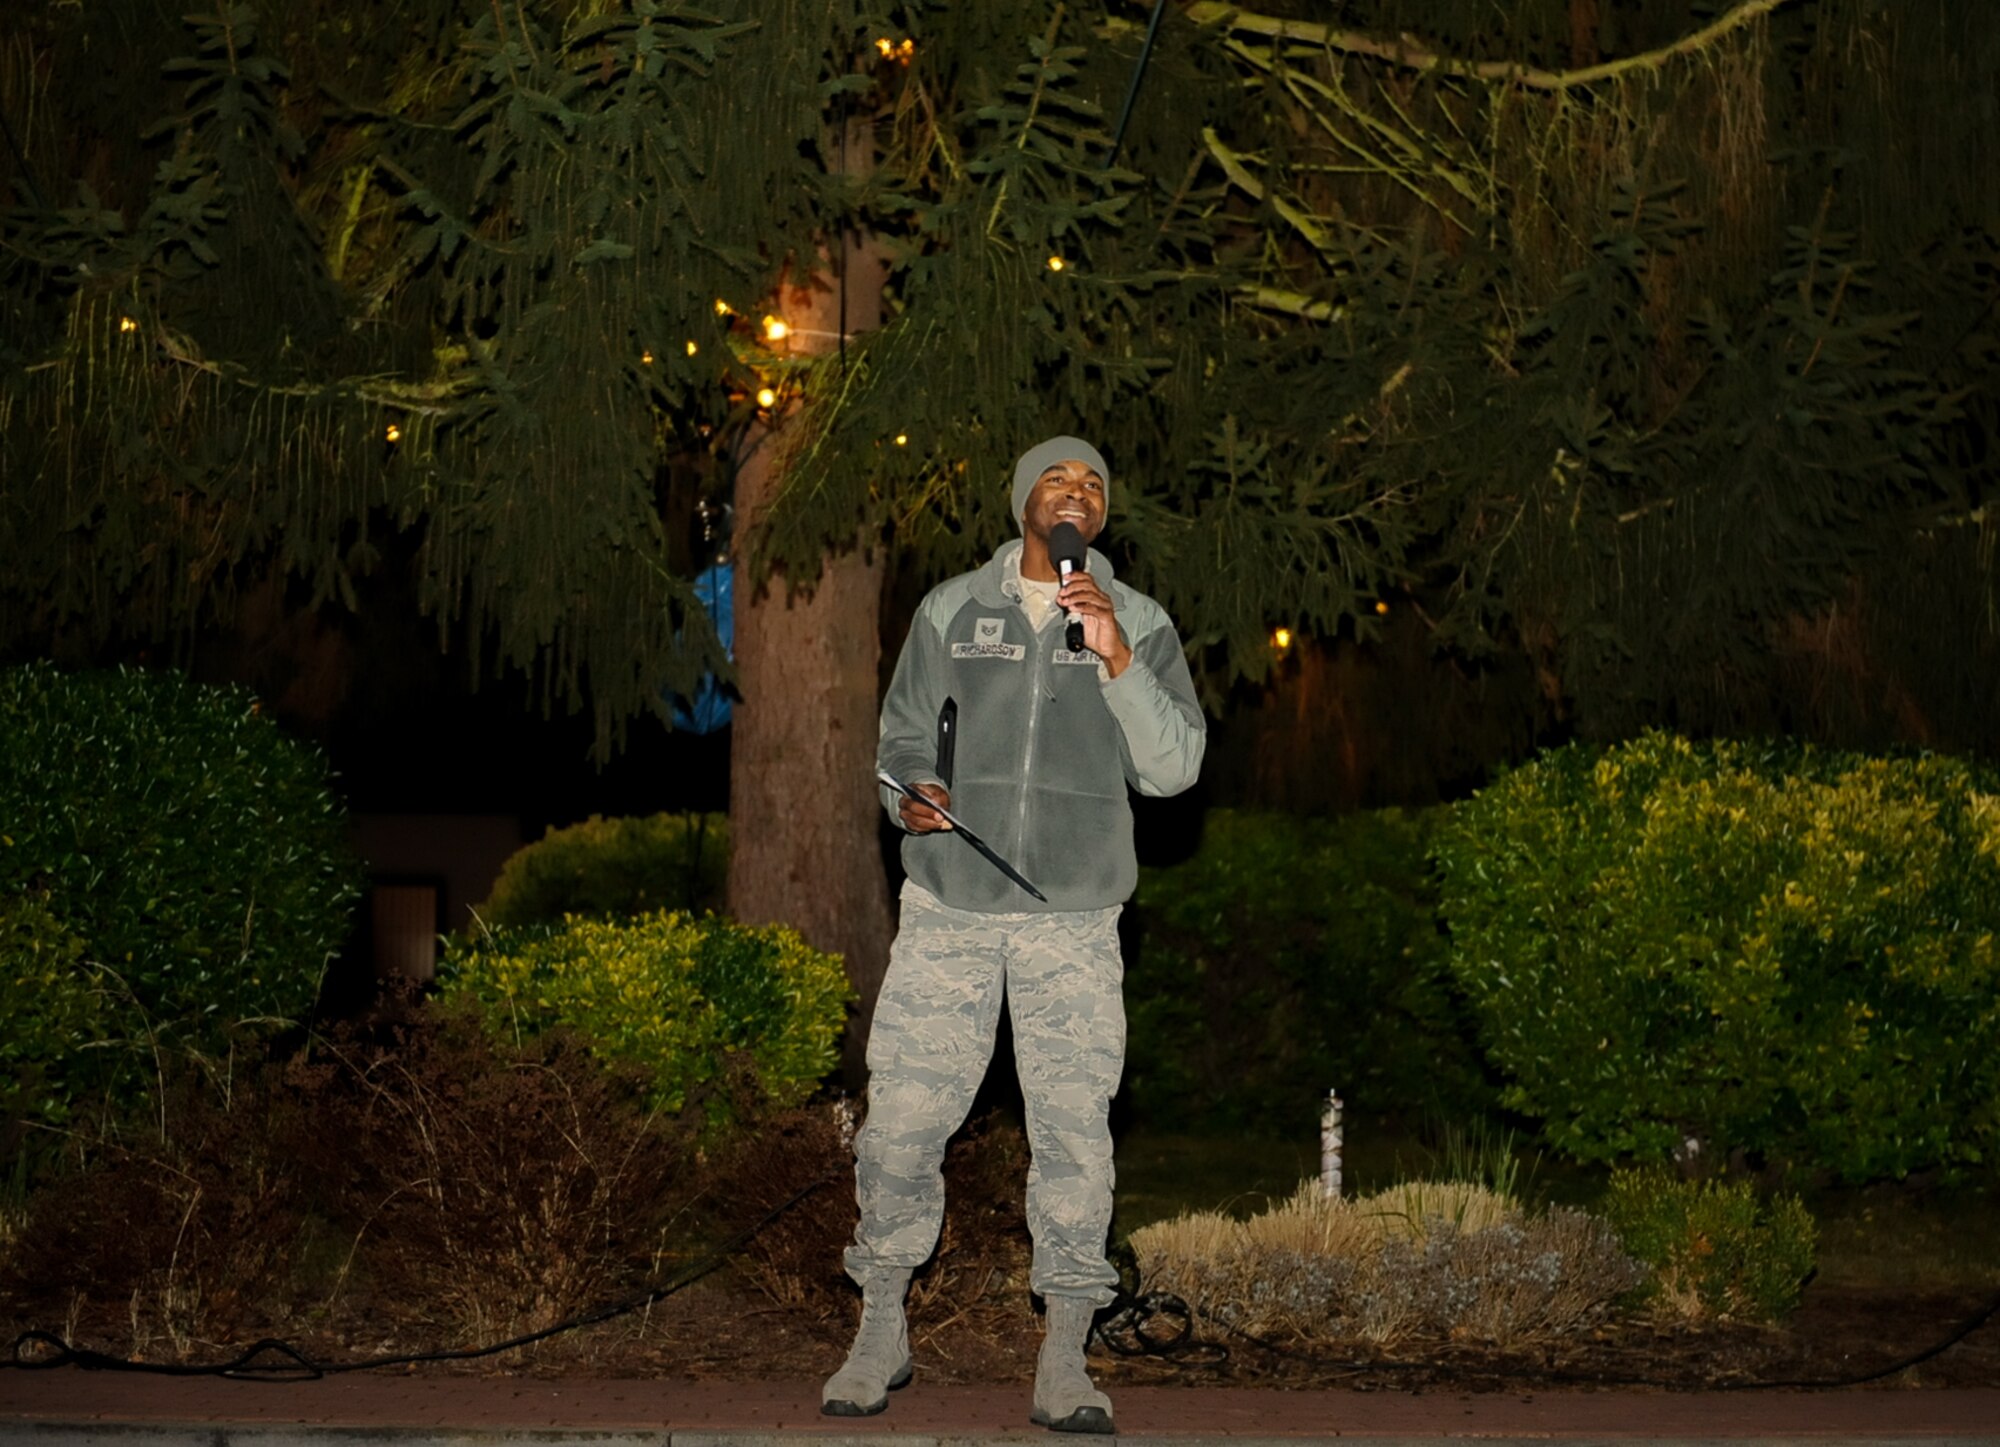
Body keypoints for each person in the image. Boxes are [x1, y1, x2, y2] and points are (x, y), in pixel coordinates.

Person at [823, 436, 1206, 1433]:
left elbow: (1172, 770)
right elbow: (900, 742)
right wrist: (912, 797)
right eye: (1057, 477)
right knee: (901, 1121)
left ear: (1101, 515)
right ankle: (879, 1327)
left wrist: (1115, 652)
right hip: (950, 907)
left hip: (1073, 921)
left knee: (1076, 1137)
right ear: (1021, 500)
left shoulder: (1141, 623)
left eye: (1092, 485)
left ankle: (1064, 1357)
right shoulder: (952, 610)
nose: (1075, 492)